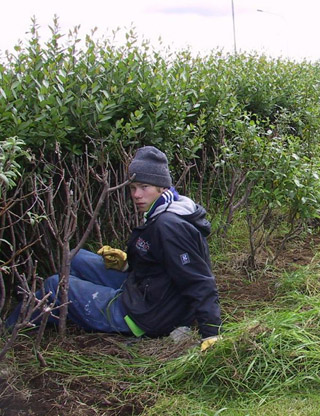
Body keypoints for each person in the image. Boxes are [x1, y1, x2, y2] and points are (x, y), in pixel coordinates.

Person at [6, 146, 222, 351]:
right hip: (147, 290)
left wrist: (211, 332)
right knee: (77, 258)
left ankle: (8, 332)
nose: (137, 195)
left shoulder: (169, 226)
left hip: (149, 314)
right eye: (133, 188)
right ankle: (38, 307)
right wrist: (128, 262)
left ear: (161, 187)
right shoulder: (167, 209)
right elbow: (160, 261)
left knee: (54, 285)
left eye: (144, 187)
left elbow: (199, 279)